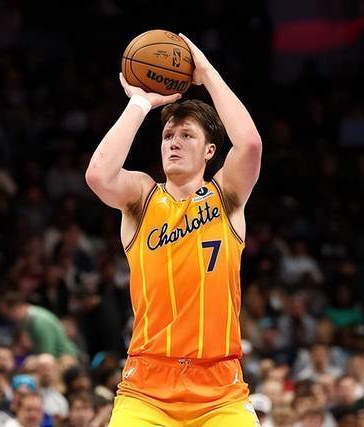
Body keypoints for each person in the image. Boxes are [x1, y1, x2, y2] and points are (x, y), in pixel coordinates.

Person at [85, 34, 262, 426]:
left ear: (210, 151)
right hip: (147, 387)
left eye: (186, 135)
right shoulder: (142, 196)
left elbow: (249, 145)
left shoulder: (226, 195)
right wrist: (139, 103)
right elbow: (98, 175)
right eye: (168, 136)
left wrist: (207, 73)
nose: (174, 143)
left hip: (220, 389)